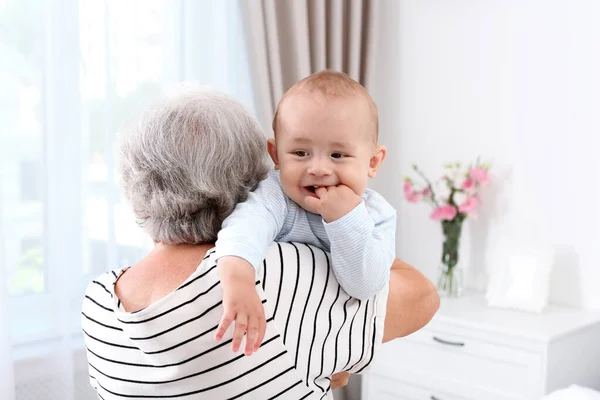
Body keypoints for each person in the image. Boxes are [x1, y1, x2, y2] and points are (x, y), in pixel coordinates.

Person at [81, 86, 439, 399]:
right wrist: (351, 216)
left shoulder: (97, 303)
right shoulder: (274, 272)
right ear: (253, 176)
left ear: (133, 184)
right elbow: (422, 297)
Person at [215, 71, 395, 356]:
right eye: (300, 153)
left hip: (328, 350)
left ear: (372, 162)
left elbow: (365, 284)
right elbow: (244, 228)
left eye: (338, 155)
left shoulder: (377, 215)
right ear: (276, 155)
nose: (319, 168)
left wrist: (346, 218)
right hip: (271, 346)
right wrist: (238, 280)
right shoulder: (277, 195)